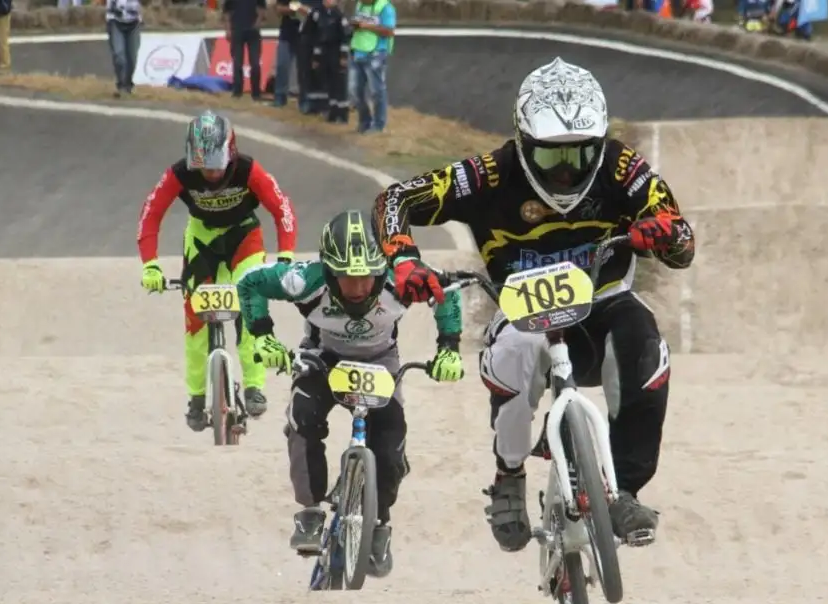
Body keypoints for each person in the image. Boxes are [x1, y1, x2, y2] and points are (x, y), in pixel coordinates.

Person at [371, 57, 695, 554]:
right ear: (523, 144)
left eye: (581, 156)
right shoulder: (487, 174)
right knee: (518, 348)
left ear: (600, 142)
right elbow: (395, 201)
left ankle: (624, 490)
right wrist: (403, 260)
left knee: (646, 345)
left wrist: (665, 235)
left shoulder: (622, 166)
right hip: (522, 308)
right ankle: (509, 474)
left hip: (603, 303)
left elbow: (683, 242)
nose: (566, 174)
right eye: (551, 159)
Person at [236, 210, 465, 577]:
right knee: (302, 419)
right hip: (322, 361)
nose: (358, 288)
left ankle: (380, 526)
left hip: (381, 363)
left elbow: (447, 293)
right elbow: (249, 282)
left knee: (391, 448)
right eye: (347, 279)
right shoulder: (304, 280)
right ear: (328, 272)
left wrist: (449, 348)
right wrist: (262, 335)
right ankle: (309, 511)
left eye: (366, 278)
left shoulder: (403, 280)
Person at [138, 111, 298, 432]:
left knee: (250, 309)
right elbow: (151, 213)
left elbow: (282, 209)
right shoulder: (180, 174)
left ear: (231, 153)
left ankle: (254, 386)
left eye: (217, 164)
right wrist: (150, 264)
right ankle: (196, 399)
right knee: (195, 323)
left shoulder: (249, 170)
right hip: (202, 240)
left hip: (244, 238)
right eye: (204, 166)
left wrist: (285, 257)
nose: (210, 172)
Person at [348, 0, 396, 134]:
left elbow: (389, 31)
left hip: (376, 53)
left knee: (376, 91)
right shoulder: (360, 4)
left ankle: (378, 125)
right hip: (358, 50)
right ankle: (364, 122)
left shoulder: (385, 7)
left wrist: (366, 26)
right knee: (355, 90)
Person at [300, 0, 351, 122]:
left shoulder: (339, 15)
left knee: (339, 83)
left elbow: (345, 36)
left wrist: (343, 56)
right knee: (329, 82)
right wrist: (316, 57)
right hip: (325, 52)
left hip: (336, 52)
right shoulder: (319, 13)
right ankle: (332, 111)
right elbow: (316, 36)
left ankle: (342, 113)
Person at [222, 0, 266, 100]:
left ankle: (256, 92)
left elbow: (262, 8)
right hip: (237, 29)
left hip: (253, 31)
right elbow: (226, 11)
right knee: (237, 62)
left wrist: (258, 22)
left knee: (255, 63)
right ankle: (237, 92)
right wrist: (228, 29)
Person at [105, 0, 142, 98]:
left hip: (134, 22)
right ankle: (121, 85)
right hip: (115, 20)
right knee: (119, 54)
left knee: (132, 57)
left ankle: (128, 85)